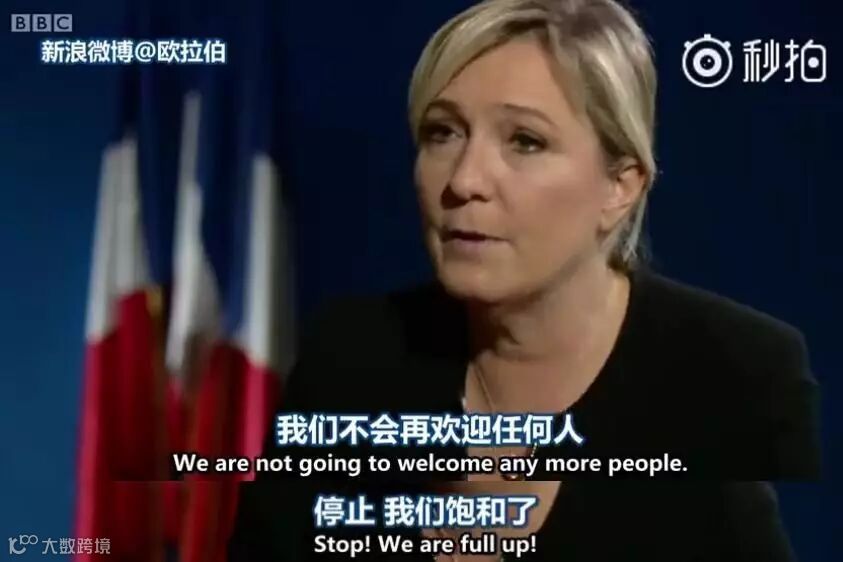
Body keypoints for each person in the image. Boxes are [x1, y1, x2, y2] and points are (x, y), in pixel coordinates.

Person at [228, 0, 821, 560]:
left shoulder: (733, 372)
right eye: (443, 132)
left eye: (525, 141)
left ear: (620, 185)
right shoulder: (350, 355)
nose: (464, 180)